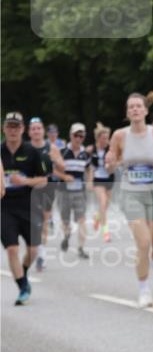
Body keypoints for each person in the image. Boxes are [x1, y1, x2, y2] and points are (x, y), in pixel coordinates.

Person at [105, 92, 153, 308]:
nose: (135, 109)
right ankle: (144, 291)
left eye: (138, 106)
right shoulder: (119, 135)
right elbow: (111, 163)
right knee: (143, 243)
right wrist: (110, 164)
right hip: (131, 193)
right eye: (131, 107)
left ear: (145, 111)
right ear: (127, 113)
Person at [1, 112, 48, 304]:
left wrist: (25, 180)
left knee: (33, 251)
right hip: (4, 208)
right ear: (4, 129)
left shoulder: (32, 152)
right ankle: (22, 287)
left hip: (28, 206)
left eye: (16, 126)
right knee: (12, 250)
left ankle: (24, 271)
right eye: (9, 126)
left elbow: (44, 180)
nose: (12, 130)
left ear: (22, 129)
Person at [28, 116, 65, 271]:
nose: (36, 131)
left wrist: (54, 160)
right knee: (32, 220)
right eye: (33, 129)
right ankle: (38, 249)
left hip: (48, 187)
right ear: (29, 132)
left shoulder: (52, 147)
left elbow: (62, 167)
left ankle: (42, 253)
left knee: (43, 220)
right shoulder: (25, 148)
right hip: (30, 188)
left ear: (43, 131)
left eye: (38, 128)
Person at [59, 123, 93, 259]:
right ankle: (67, 235)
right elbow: (53, 169)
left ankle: (81, 248)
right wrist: (64, 176)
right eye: (76, 135)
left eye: (81, 136)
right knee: (65, 220)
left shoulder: (85, 154)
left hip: (80, 191)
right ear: (70, 135)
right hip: (64, 191)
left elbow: (89, 169)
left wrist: (90, 181)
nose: (78, 138)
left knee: (82, 219)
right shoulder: (62, 152)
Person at [90, 123, 114, 243]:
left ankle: (97, 217)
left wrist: (110, 166)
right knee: (103, 202)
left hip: (109, 179)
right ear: (98, 138)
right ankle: (106, 232)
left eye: (107, 137)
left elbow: (114, 165)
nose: (106, 140)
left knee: (105, 205)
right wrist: (89, 181)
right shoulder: (92, 149)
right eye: (104, 138)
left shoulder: (110, 149)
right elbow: (89, 167)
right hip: (98, 179)